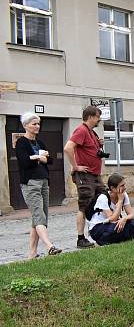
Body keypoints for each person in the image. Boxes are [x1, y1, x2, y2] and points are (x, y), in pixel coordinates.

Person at [15, 112, 61, 259]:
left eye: (38, 123)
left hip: (44, 181)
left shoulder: (40, 143)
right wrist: (37, 158)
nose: (37, 126)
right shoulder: (22, 142)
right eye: (34, 124)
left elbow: (51, 160)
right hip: (30, 183)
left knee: (41, 217)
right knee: (38, 215)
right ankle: (50, 246)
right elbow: (24, 162)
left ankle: (32, 253)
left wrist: (43, 158)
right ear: (25, 126)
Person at [64, 105, 105, 249]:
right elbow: (68, 148)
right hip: (85, 175)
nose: (99, 119)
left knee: (102, 200)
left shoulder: (92, 132)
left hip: (95, 175)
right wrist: (75, 166)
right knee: (84, 205)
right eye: (97, 116)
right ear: (91, 117)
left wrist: (98, 144)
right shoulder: (81, 130)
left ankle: (102, 231)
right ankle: (80, 239)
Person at [86, 173, 134, 245]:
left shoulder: (123, 194)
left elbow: (131, 214)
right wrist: (120, 201)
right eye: (122, 186)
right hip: (97, 228)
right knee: (119, 229)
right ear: (113, 188)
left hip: (111, 224)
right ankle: (103, 240)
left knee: (132, 223)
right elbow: (113, 219)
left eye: (124, 185)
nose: (124, 188)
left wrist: (124, 219)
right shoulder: (103, 198)